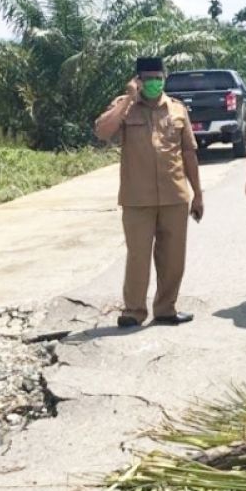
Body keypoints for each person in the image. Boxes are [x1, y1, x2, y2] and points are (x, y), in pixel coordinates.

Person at [93, 56, 203, 328]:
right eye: (147, 78)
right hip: (137, 198)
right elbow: (102, 132)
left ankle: (166, 309)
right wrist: (128, 99)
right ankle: (133, 311)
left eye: (158, 77)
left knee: (173, 257)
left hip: (174, 196)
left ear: (164, 78)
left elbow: (189, 152)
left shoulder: (177, 109)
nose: (153, 82)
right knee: (138, 257)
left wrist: (198, 193)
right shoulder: (125, 107)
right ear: (137, 80)